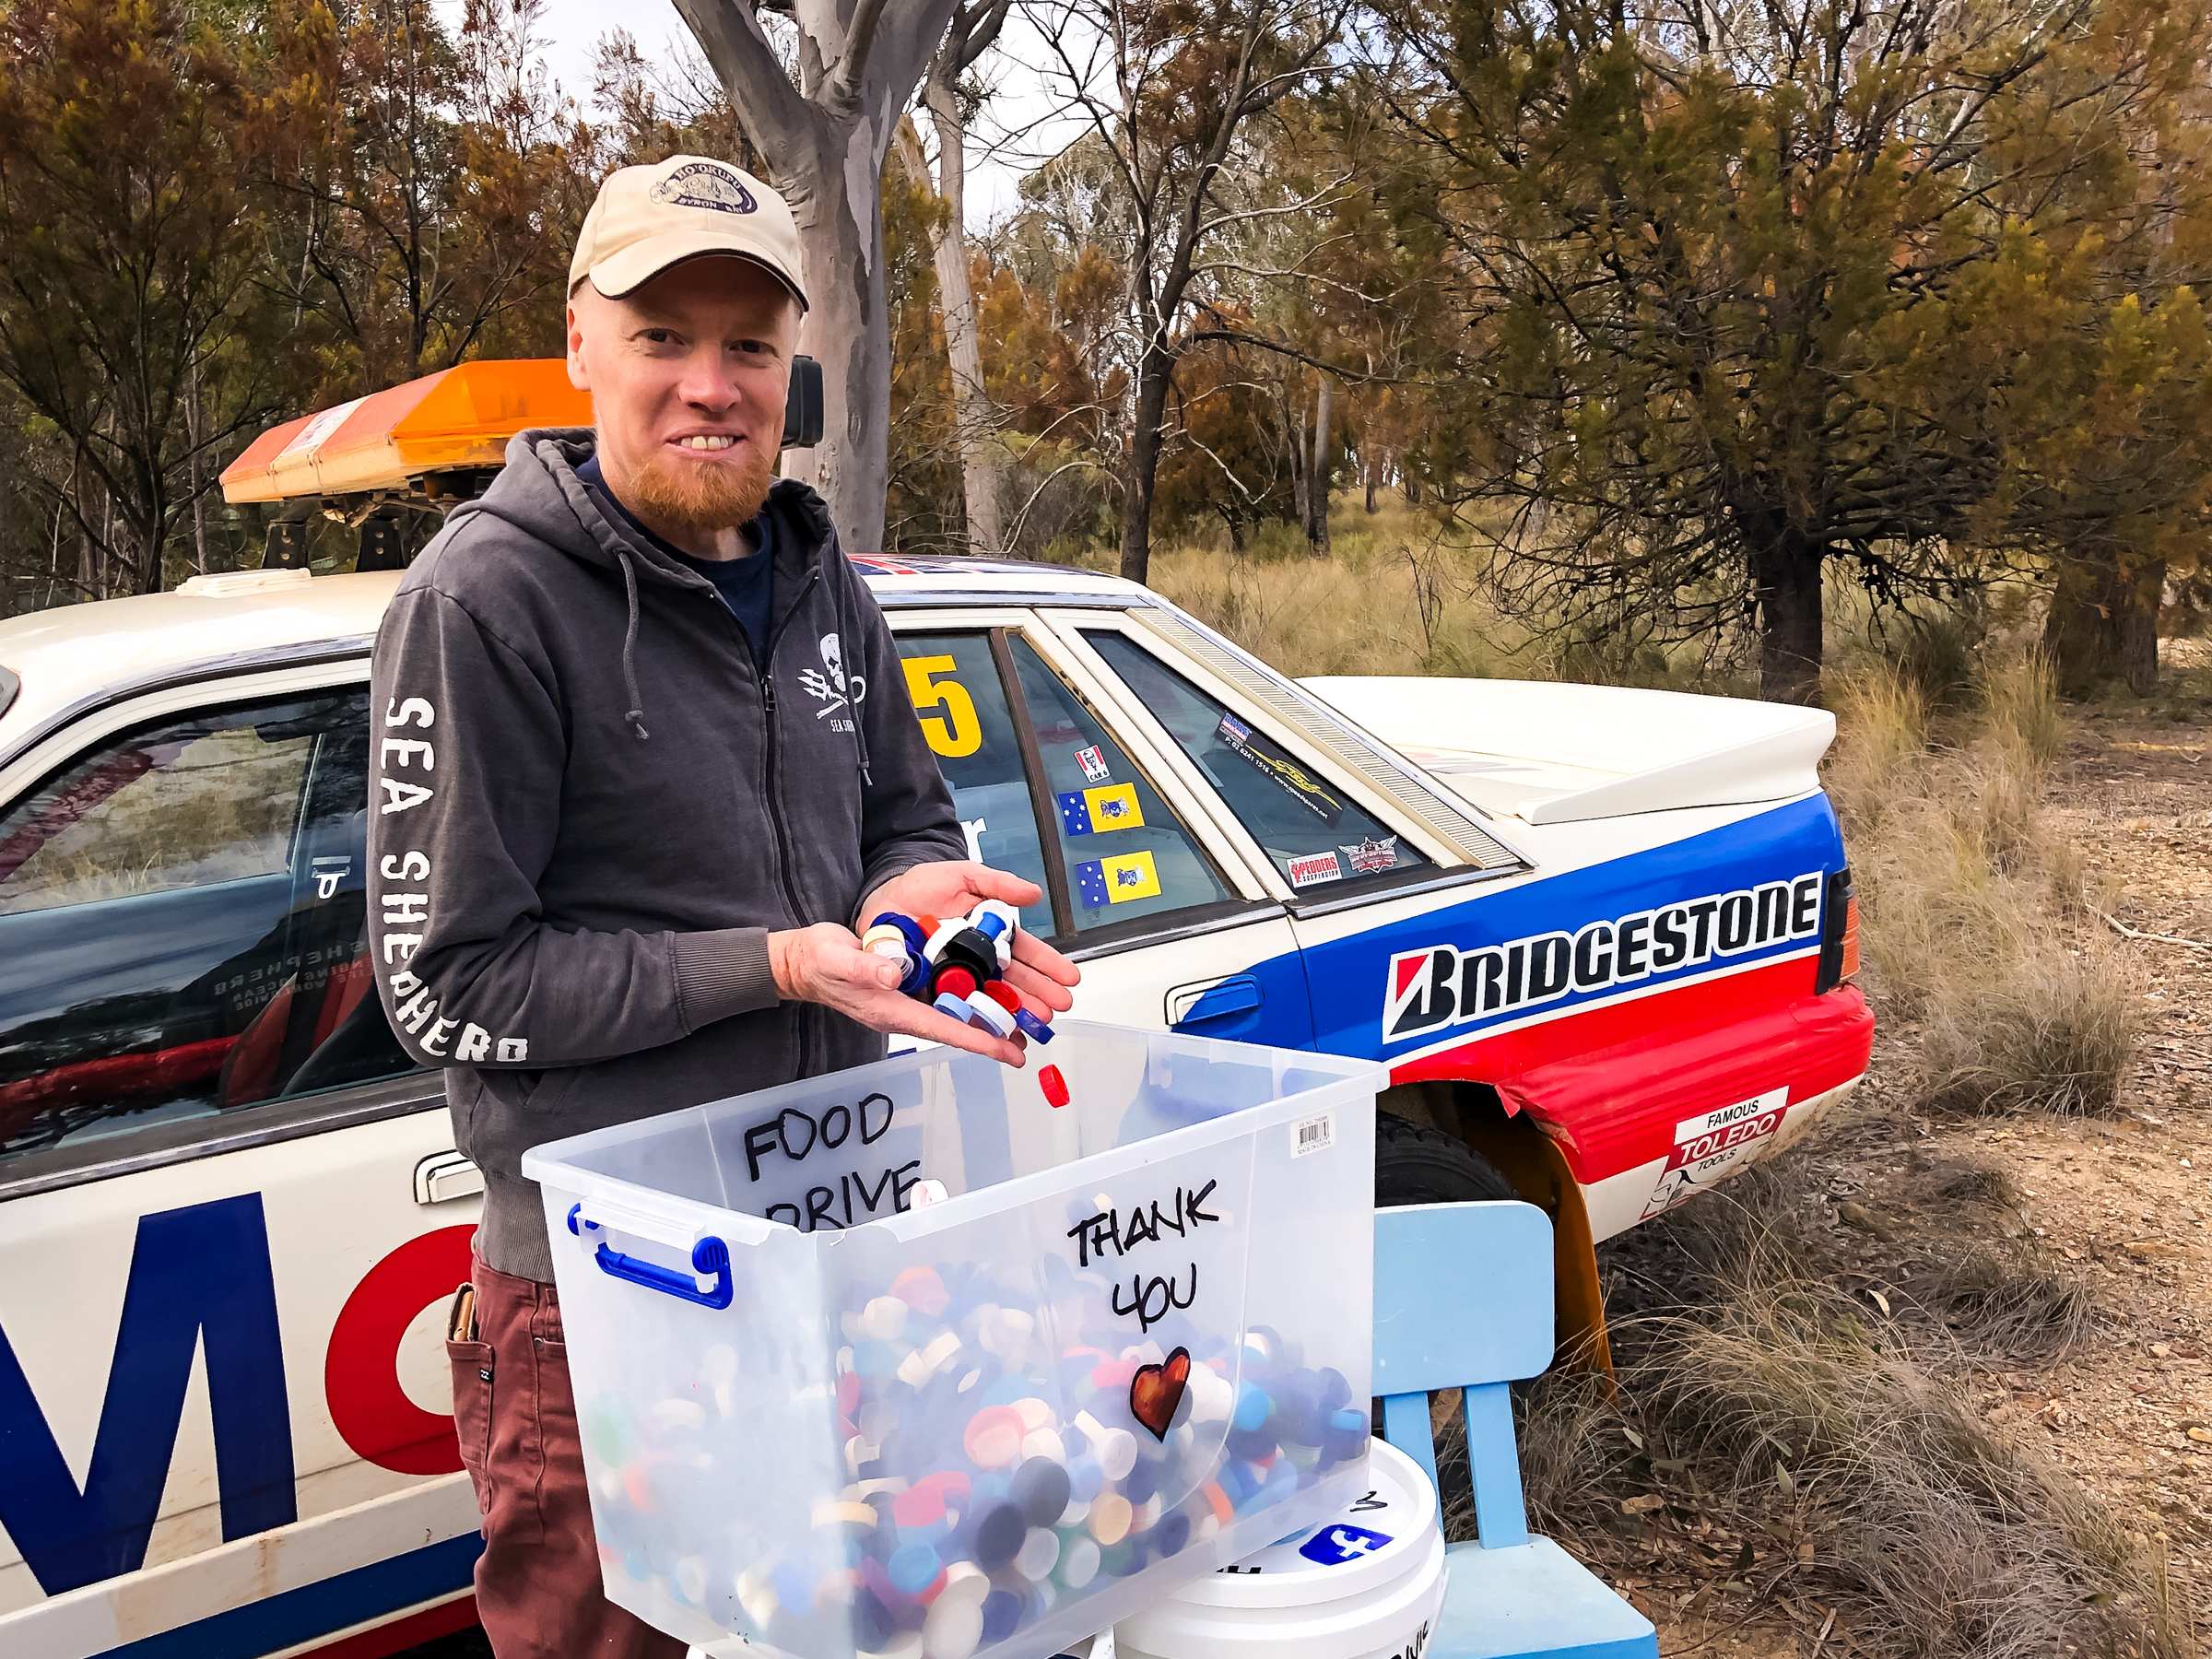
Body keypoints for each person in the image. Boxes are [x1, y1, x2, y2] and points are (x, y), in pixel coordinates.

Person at [365, 153, 1079, 1659]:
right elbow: (450, 984)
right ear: (579, 348)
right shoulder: (480, 605)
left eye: (750, 344)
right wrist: (773, 967)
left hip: (839, 1249)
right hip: (609, 1301)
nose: (712, 384)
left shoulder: (827, 585)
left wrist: (904, 903)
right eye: (664, 337)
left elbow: (904, 815)